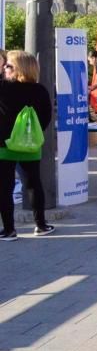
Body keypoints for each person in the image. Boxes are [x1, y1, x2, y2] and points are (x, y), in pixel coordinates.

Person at [0, 51, 55, 239]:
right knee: (33, 184)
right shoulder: (40, 90)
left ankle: (9, 230)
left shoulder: (3, 88)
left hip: (4, 145)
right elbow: (47, 116)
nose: (4, 69)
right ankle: (41, 225)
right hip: (30, 145)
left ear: (17, 68)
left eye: (7, 66)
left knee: (4, 188)